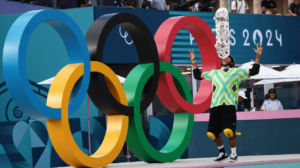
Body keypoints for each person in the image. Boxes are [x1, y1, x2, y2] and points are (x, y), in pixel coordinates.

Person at [188, 44, 263, 162]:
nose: (225, 56)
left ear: (232, 62)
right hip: (215, 105)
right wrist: (194, 61)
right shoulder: (214, 73)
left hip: (229, 105)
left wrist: (258, 56)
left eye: (228, 56)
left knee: (228, 131)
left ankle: (234, 154)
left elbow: (254, 71)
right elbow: (197, 75)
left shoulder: (237, 72)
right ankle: (222, 152)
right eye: (224, 56)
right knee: (212, 133)